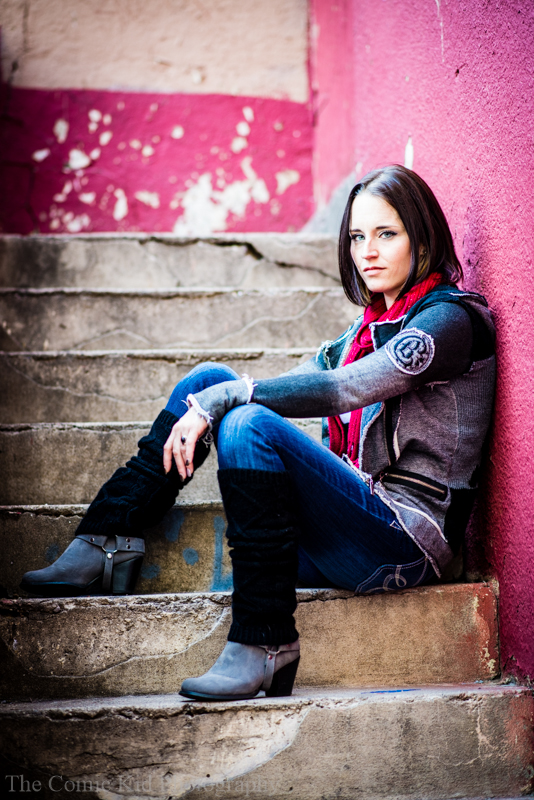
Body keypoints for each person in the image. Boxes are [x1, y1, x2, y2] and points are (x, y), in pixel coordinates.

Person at [21, 165, 496, 702]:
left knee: (246, 419)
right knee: (209, 381)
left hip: (406, 541)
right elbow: (285, 385)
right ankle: (109, 535)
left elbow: (344, 389)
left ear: (423, 240)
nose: (367, 252)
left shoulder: (449, 323)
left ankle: (265, 640)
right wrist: (217, 396)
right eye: (357, 237)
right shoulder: (363, 333)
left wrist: (230, 399)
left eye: (387, 234)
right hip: (354, 521)